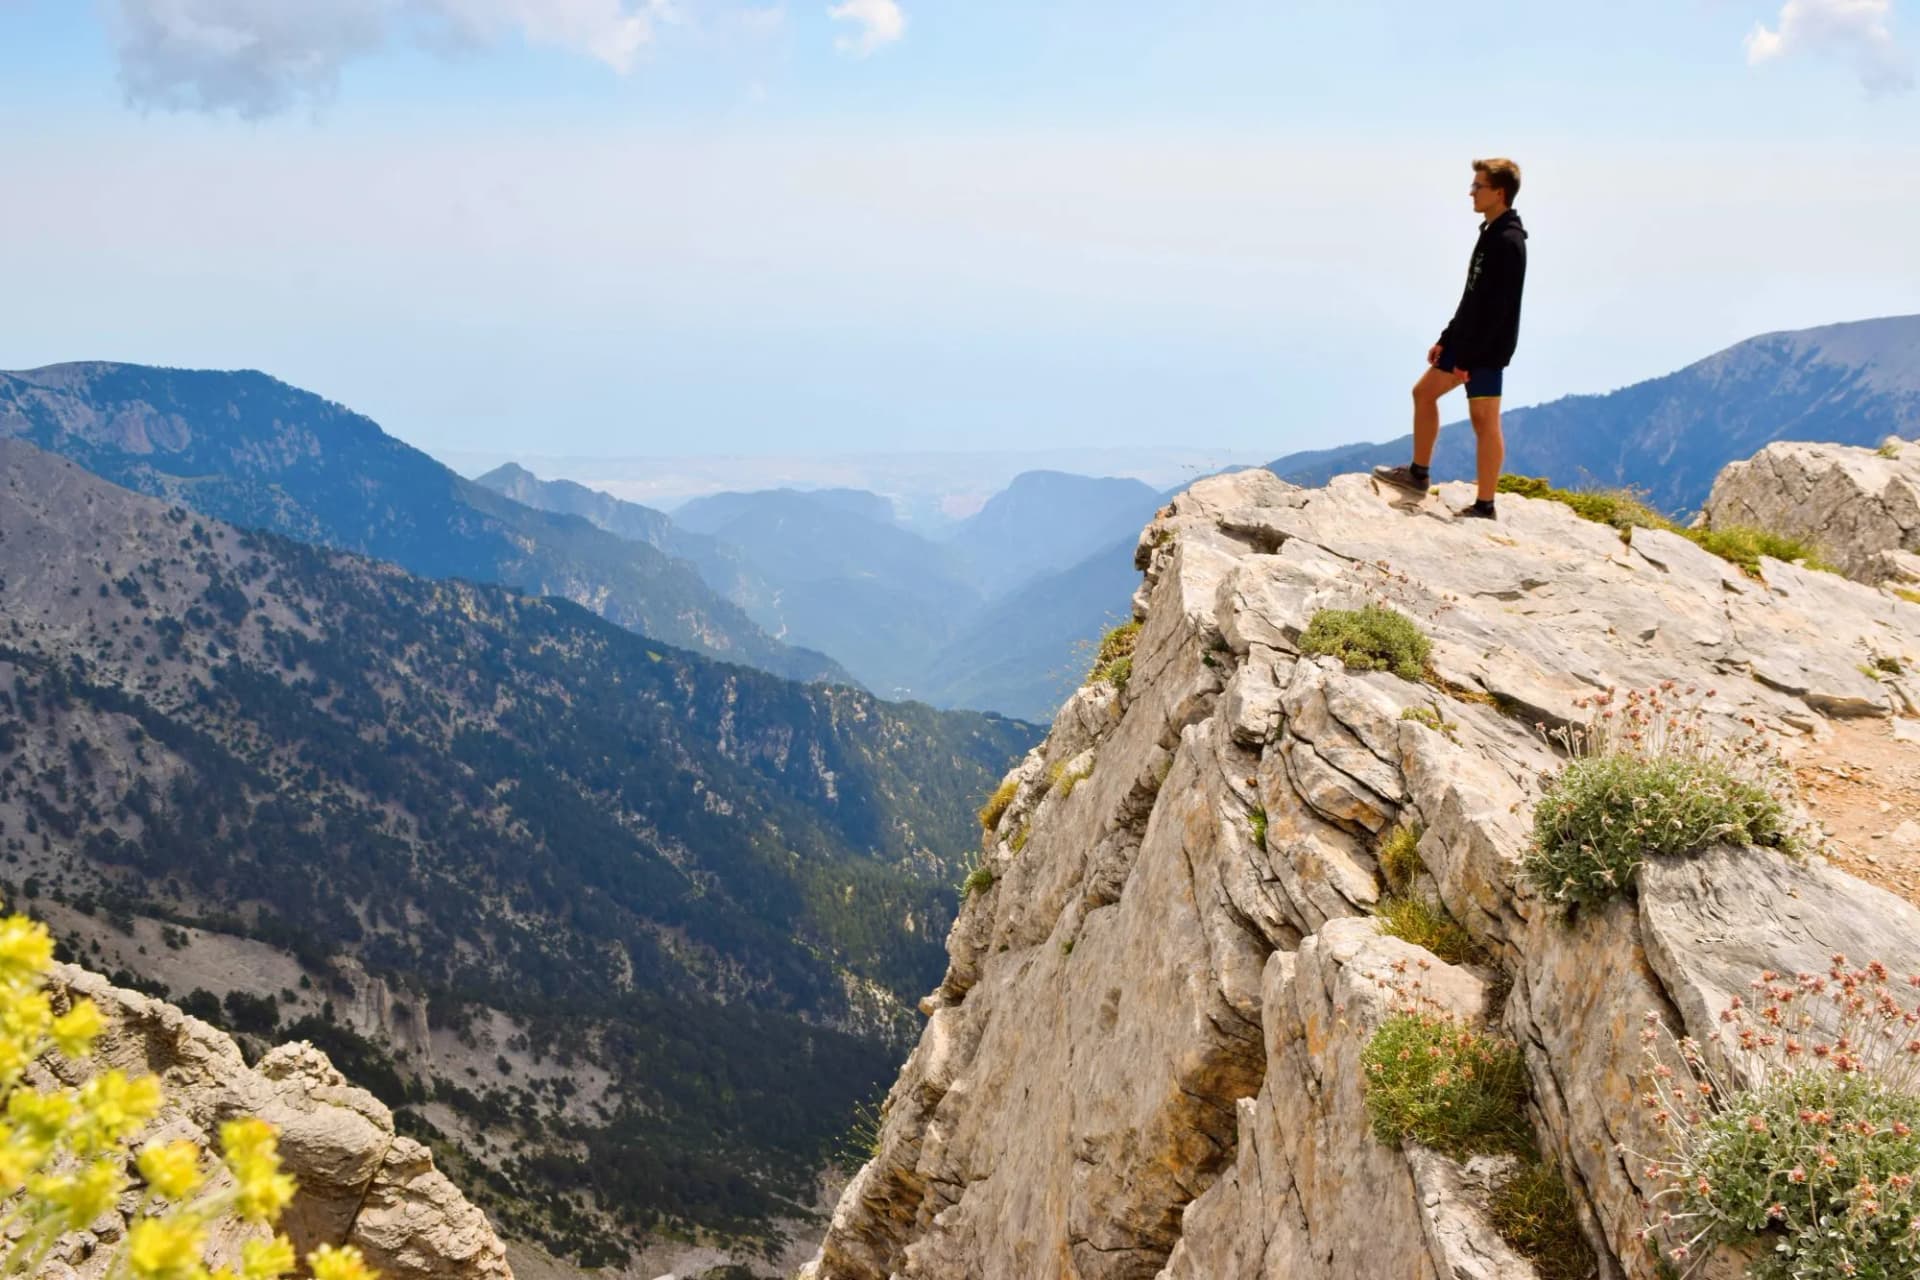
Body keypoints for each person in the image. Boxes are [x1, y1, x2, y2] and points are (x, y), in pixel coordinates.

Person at [1374, 158, 1528, 519]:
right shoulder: (1490, 233)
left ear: (1499, 192)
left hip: (1485, 349)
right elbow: (1472, 296)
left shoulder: (1508, 241)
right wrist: (1447, 338)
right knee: (1423, 393)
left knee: (1484, 419)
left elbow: (1500, 309)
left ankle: (1485, 504)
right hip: (1467, 342)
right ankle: (1418, 474)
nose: (1471, 192)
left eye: (1478, 186)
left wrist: (1469, 358)